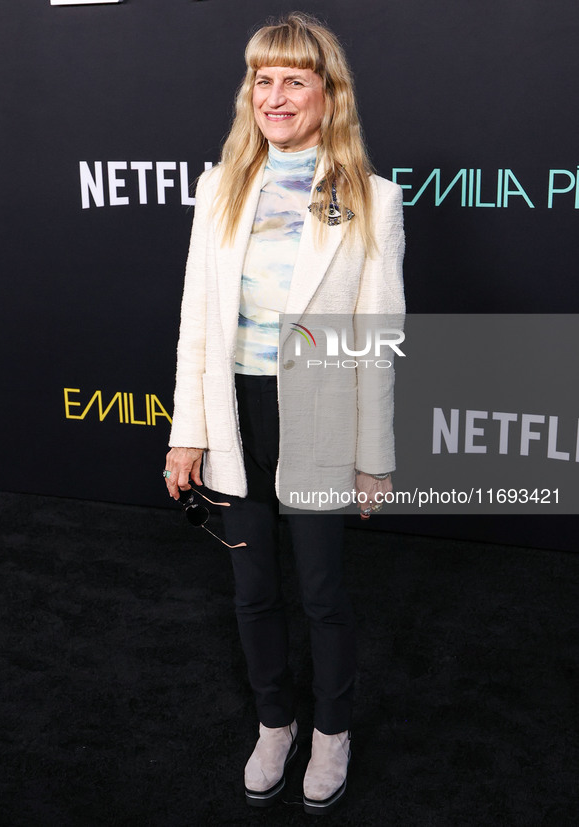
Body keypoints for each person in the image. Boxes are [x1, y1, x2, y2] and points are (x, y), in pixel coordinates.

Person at [163, 12, 405, 815]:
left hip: (320, 418)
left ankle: (330, 730)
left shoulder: (371, 198)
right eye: (262, 79)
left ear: (326, 94)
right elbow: (198, 319)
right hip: (235, 409)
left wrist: (375, 456)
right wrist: (186, 432)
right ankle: (276, 720)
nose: (275, 95)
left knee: (324, 592)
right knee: (252, 587)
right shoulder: (219, 187)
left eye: (293, 79)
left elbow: (377, 340)